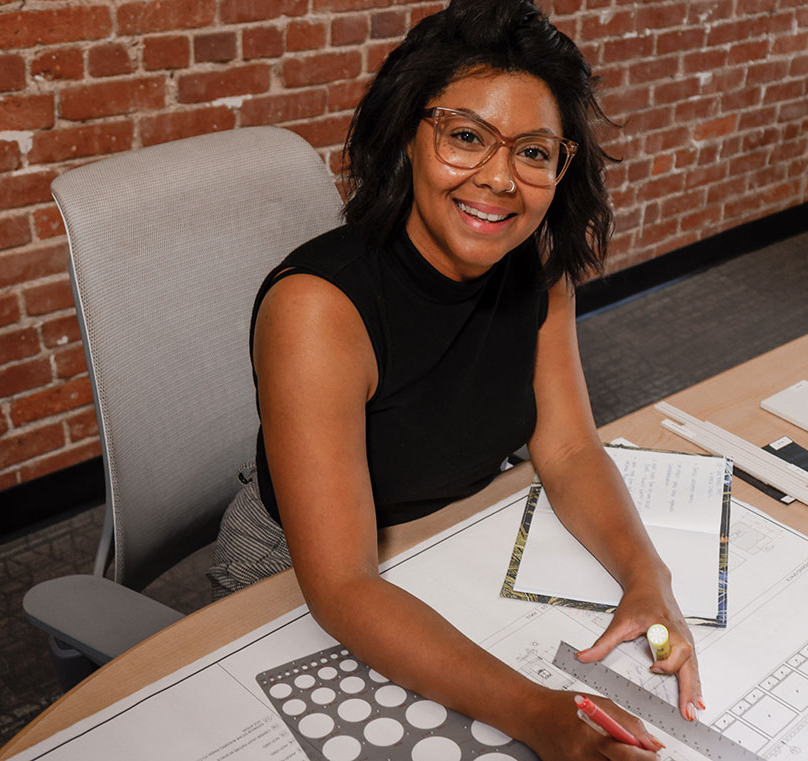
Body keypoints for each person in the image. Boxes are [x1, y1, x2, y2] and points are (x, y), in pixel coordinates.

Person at [206, 1, 703, 757]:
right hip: (301, 565)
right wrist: (539, 714)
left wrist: (647, 576)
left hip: (447, 530)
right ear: (409, 133)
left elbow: (568, 452)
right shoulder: (318, 307)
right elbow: (341, 585)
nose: (501, 179)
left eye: (534, 152)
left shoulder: (537, 262)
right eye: (467, 138)